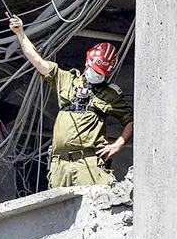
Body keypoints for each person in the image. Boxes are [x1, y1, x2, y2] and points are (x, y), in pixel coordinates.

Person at [9, 13, 134, 187]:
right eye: (94, 69)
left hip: (88, 163)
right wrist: (20, 33)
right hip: (60, 164)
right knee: (57, 211)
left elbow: (131, 121)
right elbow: (36, 60)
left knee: (94, 210)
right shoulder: (66, 80)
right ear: (87, 62)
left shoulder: (110, 95)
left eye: (101, 73)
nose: (96, 74)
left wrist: (119, 144)